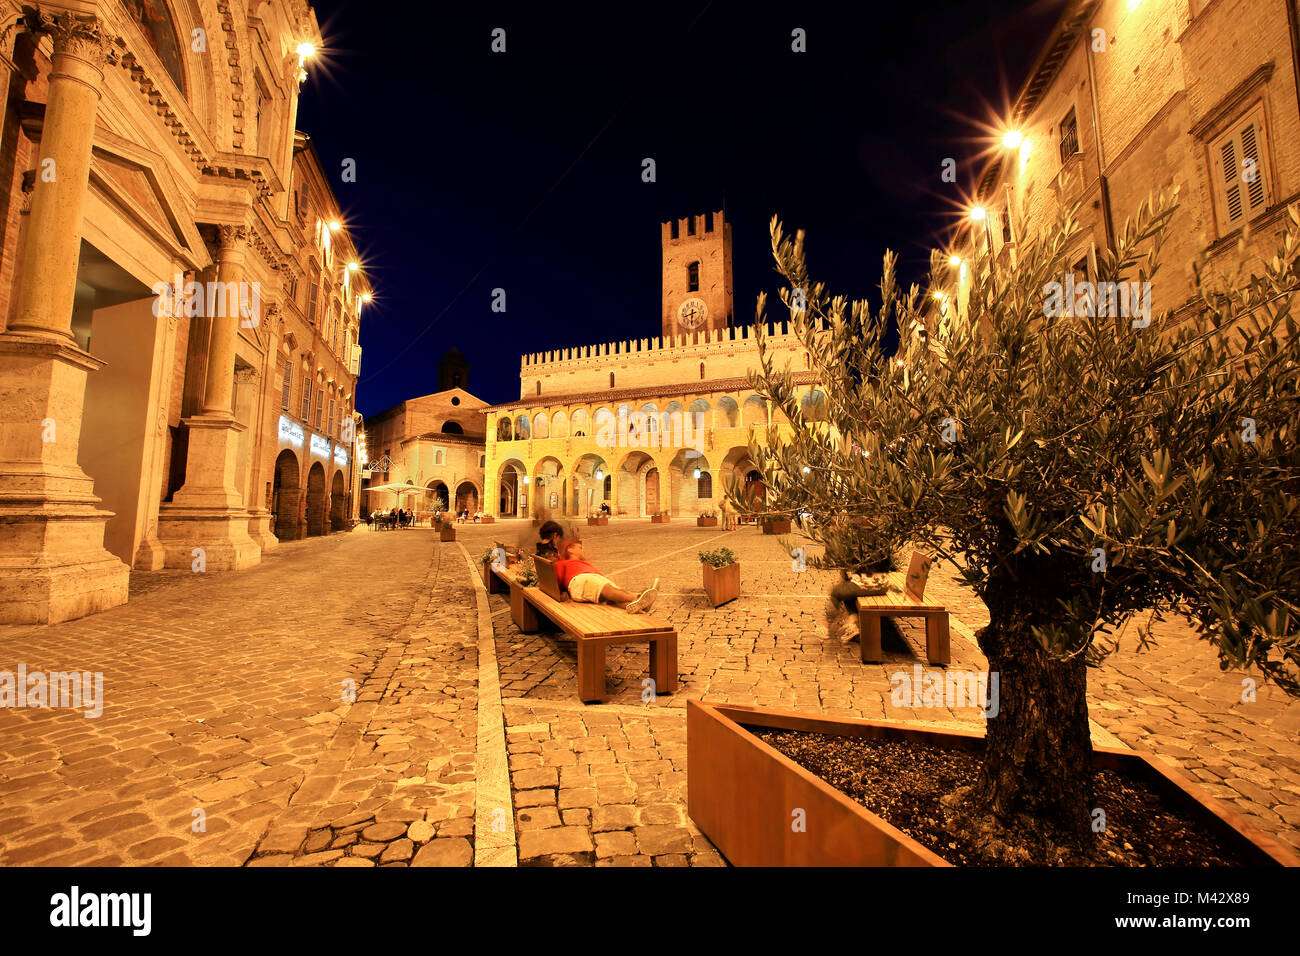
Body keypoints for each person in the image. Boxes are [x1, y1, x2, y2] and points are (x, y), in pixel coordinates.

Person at [553, 539, 658, 613]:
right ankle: (638, 598)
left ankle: (640, 606)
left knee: (615, 598)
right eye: (580, 548)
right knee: (607, 589)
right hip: (580, 580)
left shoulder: (584, 564)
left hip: (590, 581)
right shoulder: (564, 563)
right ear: (570, 549)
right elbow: (555, 581)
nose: (583, 550)